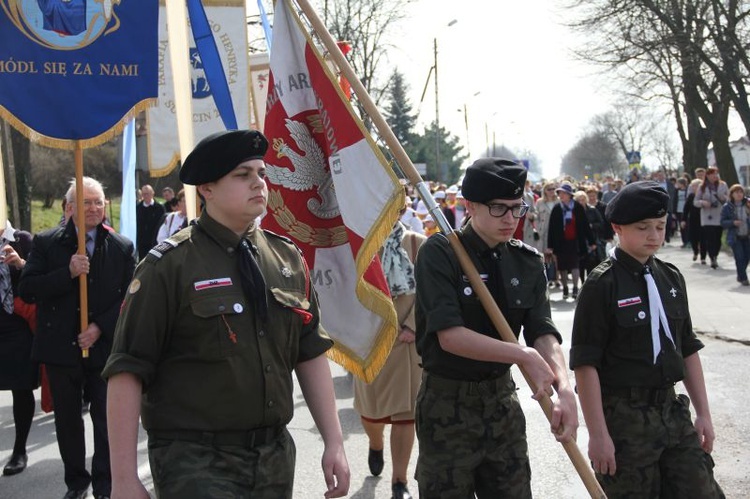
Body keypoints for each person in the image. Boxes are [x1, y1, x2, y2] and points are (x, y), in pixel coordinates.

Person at [102, 130, 350, 499]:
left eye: (261, 174)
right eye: (242, 175)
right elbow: (127, 369)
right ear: (207, 188)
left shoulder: (286, 259)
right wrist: (122, 478)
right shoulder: (168, 266)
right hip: (195, 458)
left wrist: (334, 442)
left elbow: (309, 351)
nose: (258, 184)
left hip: (273, 456)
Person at [413, 158, 578, 498]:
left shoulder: (528, 262)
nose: (509, 219)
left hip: (501, 405)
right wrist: (521, 354)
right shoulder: (442, 253)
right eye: (498, 208)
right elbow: (450, 336)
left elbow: (543, 333)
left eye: (517, 209)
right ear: (470, 205)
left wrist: (564, 387)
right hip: (448, 406)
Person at [570, 180, 725, 498]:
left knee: (703, 490)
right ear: (618, 228)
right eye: (643, 228)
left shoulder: (670, 276)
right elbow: (586, 365)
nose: (654, 235)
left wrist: (704, 414)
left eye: (659, 226)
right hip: (626, 420)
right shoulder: (602, 285)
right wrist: (598, 434)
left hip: (672, 411)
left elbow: (688, 348)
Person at [19, 177, 136, 499]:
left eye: (99, 202)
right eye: (86, 202)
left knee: (105, 420)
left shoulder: (122, 246)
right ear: (69, 207)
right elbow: (27, 289)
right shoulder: (46, 243)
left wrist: (99, 327)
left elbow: (131, 296)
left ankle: (105, 483)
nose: (94, 208)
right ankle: (76, 481)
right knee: (68, 422)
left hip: (102, 349)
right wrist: (67, 273)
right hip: (61, 350)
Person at [353, 221, 426, 499]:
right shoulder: (356, 243)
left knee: (406, 416)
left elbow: (433, 290)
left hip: (406, 342)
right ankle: (375, 443)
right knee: (370, 413)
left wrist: (413, 325)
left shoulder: (419, 244)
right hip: (369, 341)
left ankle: (400, 481)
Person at [0, 224, 37, 477]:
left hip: (15, 324)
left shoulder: (22, 239)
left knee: (20, 387)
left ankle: (19, 450)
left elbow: (38, 280)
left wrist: (20, 264)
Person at [547, 182, 595, 300]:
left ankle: (574, 288)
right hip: (561, 242)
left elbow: (585, 225)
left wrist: (591, 241)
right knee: (562, 267)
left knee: (575, 265)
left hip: (575, 241)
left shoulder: (578, 207)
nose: (561, 195)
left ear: (569, 195)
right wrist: (550, 245)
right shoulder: (557, 208)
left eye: (563, 193)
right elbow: (551, 228)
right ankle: (565, 288)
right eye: (559, 193)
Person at [693, 166, 728, 268]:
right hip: (707, 216)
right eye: (712, 174)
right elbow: (695, 202)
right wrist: (703, 202)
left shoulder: (723, 185)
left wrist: (724, 197)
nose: (715, 176)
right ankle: (712, 258)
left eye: (716, 174)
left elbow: (729, 199)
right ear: (707, 175)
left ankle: (715, 255)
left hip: (719, 215)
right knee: (710, 238)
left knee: (717, 239)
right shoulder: (702, 187)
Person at [720, 184, 750, 286]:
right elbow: (723, 222)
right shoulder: (727, 207)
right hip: (735, 237)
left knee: (747, 257)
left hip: (747, 236)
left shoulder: (748, 203)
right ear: (732, 194)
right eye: (736, 192)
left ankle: (740, 275)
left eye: (741, 192)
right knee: (739, 257)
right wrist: (733, 223)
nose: (739, 194)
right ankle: (743, 278)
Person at [135, 185, 165, 260]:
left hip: (155, 242)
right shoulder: (137, 208)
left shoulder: (159, 208)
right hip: (142, 243)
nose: (145, 196)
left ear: (152, 193)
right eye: (144, 194)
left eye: (147, 193)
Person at [684, 178, 704, 261]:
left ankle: (703, 257)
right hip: (692, 220)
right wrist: (683, 220)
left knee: (703, 238)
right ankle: (695, 252)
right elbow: (686, 209)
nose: (693, 188)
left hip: (703, 220)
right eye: (693, 186)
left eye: (695, 186)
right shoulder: (691, 196)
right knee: (693, 238)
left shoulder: (704, 196)